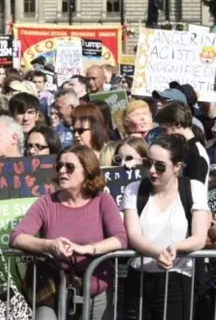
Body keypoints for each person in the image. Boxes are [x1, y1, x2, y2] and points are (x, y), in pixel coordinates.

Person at [11, 145, 128, 320]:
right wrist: (49, 245)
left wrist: (87, 249)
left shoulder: (102, 200)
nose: (63, 171)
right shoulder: (46, 203)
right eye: (60, 166)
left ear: (87, 170)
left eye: (70, 167)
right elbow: (16, 237)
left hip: (96, 289)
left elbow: (121, 239)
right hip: (52, 290)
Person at [120, 135, 209, 320]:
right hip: (139, 277)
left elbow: (199, 237)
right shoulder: (133, 189)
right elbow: (134, 234)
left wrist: (175, 247)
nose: (152, 170)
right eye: (148, 163)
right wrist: (156, 253)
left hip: (177, 278)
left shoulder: (194, 189)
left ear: (177, 166)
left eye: (160, 166)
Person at [155, 101, 210, 184]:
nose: (163, 134)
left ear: (178, 124)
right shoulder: (183, 149)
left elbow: (194, 190)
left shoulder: (197, 154)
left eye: (165, 130)